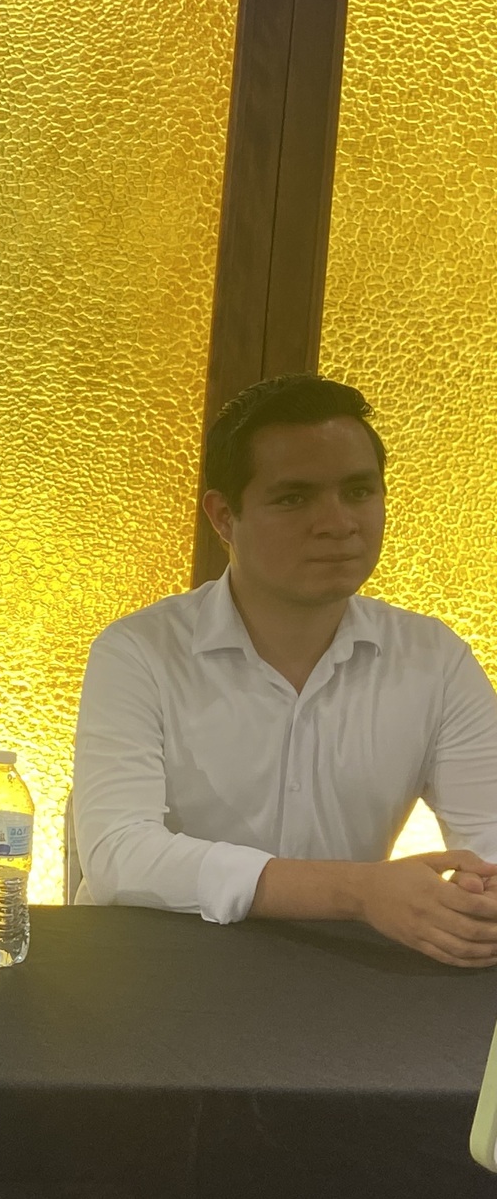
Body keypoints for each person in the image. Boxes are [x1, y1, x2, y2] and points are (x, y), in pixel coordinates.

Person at [73, 373, 497, 966]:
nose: (337, 523)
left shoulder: (436, 659)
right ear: (224, 517)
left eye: (359, 491)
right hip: (149, 969)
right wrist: (358, 892)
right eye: (294, 498)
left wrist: (475, 897)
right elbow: (119, 856)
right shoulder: (138, 652)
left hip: (341, 971)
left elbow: (489, 838)